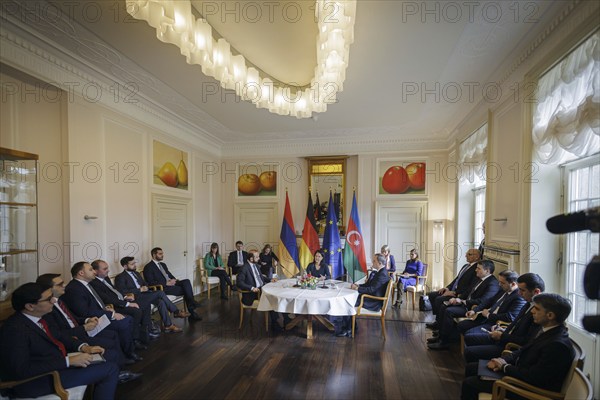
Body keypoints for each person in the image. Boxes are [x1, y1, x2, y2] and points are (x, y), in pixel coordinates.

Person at [0, 282, 120, 399]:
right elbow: (21, 370)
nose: (54, 300)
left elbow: (59, 336)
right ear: (30, 306)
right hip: (39, 380)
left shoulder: (40, 317)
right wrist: (68, 361)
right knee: (110, 370)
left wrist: (84, 347)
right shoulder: (14, 330)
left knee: (110, 355)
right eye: (48, 299)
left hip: (56, 363)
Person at [461, 293, 575, 400]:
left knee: (470, 383)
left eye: (537, 309)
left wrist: (504, 367)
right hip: (519, 371)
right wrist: (502, 359)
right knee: (472, 368)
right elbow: (523, 350)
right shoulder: (547, 330)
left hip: (528, 388)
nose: (532, 312)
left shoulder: (557, 345)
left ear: (550, 315)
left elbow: (535, 378)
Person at [36, 273, 142, 383]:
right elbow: (59, 333)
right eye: (60, 284)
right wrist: (84, 328)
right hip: (74, 337)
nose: (64, 285)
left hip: (81, 327)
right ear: (48, 289)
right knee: (114, 339)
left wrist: (87, 320)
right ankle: (117, 370)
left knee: (114, 334)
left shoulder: (59, 299)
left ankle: (121, 366)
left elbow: (72, 317)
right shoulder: (45, 308)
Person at [62, 261, 140, 362]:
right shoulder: (74, 289)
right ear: (81, 273)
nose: (94, 271)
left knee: (127, 319)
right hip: (92, 321)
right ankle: (128, 354)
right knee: (125, 322)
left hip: (101, 313)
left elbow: (94, 303)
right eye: (90, 270)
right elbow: (83, 312)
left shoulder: (86, 284)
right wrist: (111, 314)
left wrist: (105, 308)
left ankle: (128, 352)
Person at [463, 273, 545, 362]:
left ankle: (479, 369)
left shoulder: (539, 313)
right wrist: (502, 329)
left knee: (469, 352)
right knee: (468, 338)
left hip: (510, 346)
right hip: (505, 335)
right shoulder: (528, 303)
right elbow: (515, 324)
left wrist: (502, 336)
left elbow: (526, 341)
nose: (519, 293)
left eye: (522, 290)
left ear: (536, 292)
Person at [428, 260, 500, 350]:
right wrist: (457, 298)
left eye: (478, 268)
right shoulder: (478, 279)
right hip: (465, 303)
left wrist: (463, 301)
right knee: (443, 306)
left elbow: (482, 301)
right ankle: (440, 336)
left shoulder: (492, 283)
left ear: (487, 271)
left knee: (448, 311)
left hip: (473, 308)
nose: (476, 270)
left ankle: (444, 342)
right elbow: (467, 292)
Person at [90, 260, 152, 348]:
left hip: (121, 300)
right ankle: (135, 340)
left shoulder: (105, 277)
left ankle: (146, 331)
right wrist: (126, 303)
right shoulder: (94, 283)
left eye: (107, 268)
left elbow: (114, 291)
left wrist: (125, 297)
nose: (108, 270)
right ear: (95, 271)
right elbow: (107, 299)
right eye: (105, 269)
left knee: (145, 305)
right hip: (114, 306)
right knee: (136, 311)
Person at [115, 256, 187, 332]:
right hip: (136, 297)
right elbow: (123, 292)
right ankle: (176, 311)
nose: (135, 265)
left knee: (161, 302)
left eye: (134, 263)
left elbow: (145, 283)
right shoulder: (120, 277)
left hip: (146, 294)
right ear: (125, 266)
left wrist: (145, 287)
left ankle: (168, 325)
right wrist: (139, 290)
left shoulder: (136, 273)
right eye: (132, 264)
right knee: (160, 293)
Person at [334, 253, 391, 337]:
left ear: (379, 263)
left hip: (374, 302)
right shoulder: (380, 272)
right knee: (349, 299)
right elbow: (369, 286)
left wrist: (357, 289)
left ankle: (348, 329)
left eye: (374, 261)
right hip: (372, 298)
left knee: (347, 302)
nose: (372, 262)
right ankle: (352, 326)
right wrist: (358, 286)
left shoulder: (382, 274)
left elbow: (371, 289)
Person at [456, 270, 525, 336]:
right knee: (461, 325)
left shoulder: (518, 297)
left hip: (495, 323)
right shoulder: (503, 290)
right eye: (499, 282)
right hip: (485, 318)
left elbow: (510, 317)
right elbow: (489, 301)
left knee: (470, 334)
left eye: (502, 283)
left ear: (513, 284)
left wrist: (488, 315)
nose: (499, 284)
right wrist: (474, 310)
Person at [426, 248, 481, 330]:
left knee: (438, 299)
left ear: (477, 257)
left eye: (469, 254)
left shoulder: (476, 269)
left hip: (459, 294)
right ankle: (438, 320)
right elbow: (456, 279)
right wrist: (447, 288)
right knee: (432, 295)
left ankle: (439, 324)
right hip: (452, 290)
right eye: (466, 253)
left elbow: (470, 287)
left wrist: (455, 293)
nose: (466, 255)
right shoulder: (466, 266)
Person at [236, 250, 289, 332]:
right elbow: (239, 283)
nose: (259, 258)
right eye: (256, 257)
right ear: (251, 258)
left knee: (280, 294)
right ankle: (275, 324)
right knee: (273, 298)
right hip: (252, 294)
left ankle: (287, 319)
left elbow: (261, 277)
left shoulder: (256, 265)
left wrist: (270, 279)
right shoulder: (244, 268)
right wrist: (251, 288)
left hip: (261, 289)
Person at [143, 247, 202, 321]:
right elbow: (150, 283)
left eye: (162, 253)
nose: (162, 255)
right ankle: (192, 311)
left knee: (186, 281)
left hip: (172, 283)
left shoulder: (163, 264)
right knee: (186, 290)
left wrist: (174, 280)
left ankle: (192, 304)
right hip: (163, 287)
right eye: (160, 254)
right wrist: (166, 283)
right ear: (154, 255)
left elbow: (169, 275)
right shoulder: (148, 267)